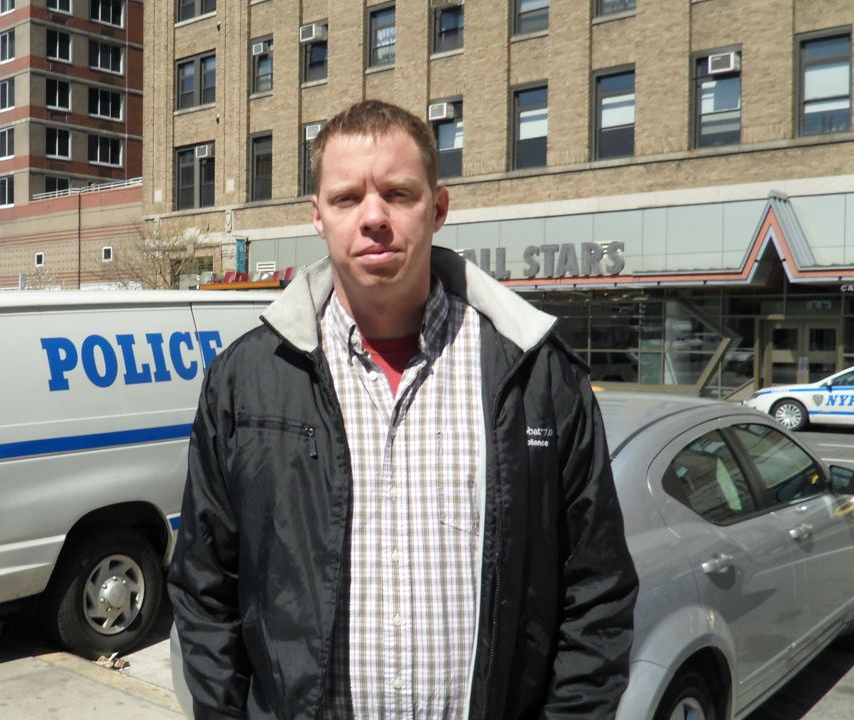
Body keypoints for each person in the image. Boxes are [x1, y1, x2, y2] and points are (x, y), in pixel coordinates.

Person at [168, 99, 638, 719]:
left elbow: (597, 594)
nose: (373, 218)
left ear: (437, 208)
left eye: (398, 194)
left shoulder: (537, 375)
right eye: (346, 198)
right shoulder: (245, 379)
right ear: (317, 216)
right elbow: (205, 591)